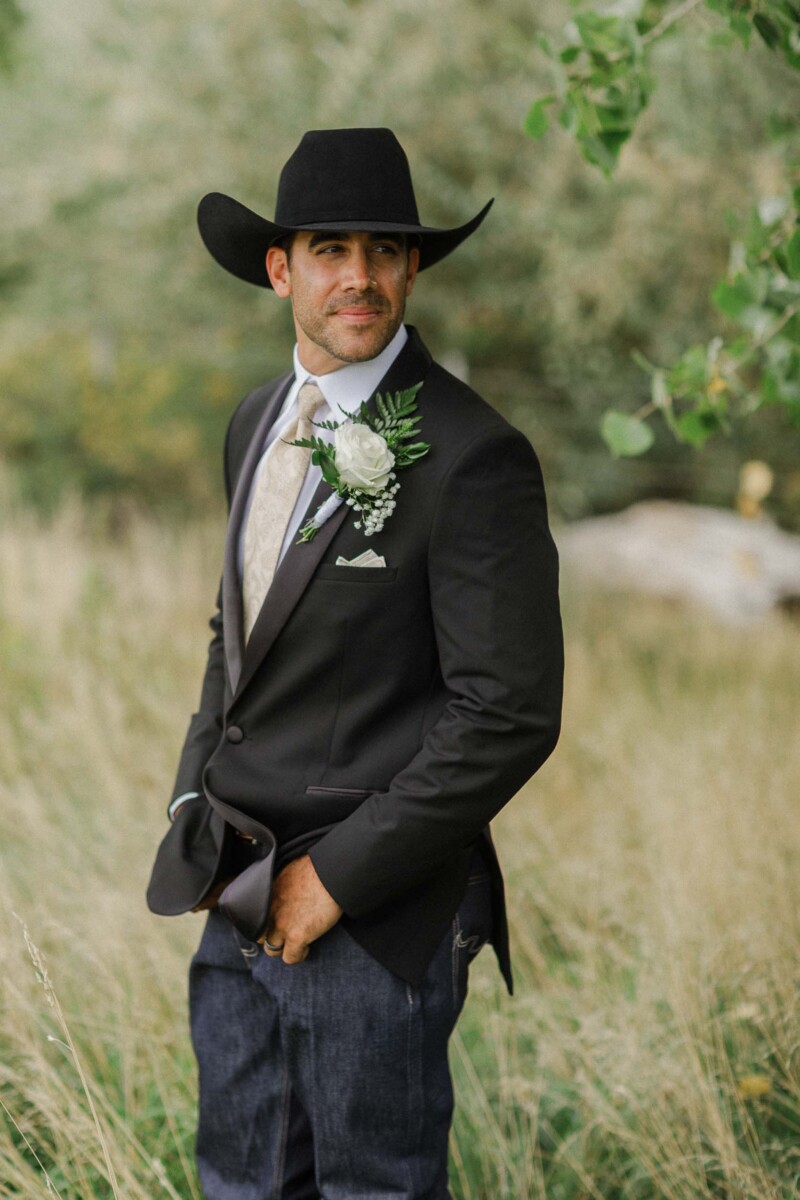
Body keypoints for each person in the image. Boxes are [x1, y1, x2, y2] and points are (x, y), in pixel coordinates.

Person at [147, 127, 563, 1200]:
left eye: (384, 251)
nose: (359, 278)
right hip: (233, 884)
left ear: (413, 268)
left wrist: (331, 879)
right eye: (329, 249)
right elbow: (231, 637)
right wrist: (196, 800)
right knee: (238, 1185)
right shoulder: (254, 423)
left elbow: (506, 713)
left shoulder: (473, 455)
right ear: (280, 268)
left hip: (374, 914)